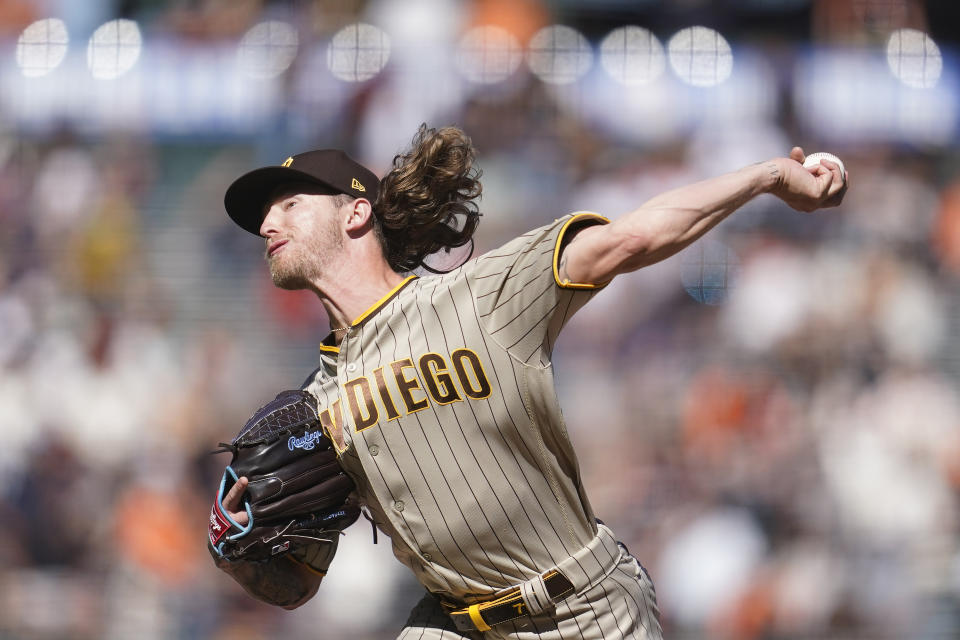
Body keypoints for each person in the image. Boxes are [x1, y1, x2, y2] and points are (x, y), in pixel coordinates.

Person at [211, 125, 847, 639]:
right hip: (455, 623)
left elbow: (632, 237)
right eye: (265, 214)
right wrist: (237, 542)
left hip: (584, 613)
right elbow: (293, 586)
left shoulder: (481, 296)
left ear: (355, 213)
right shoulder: (317, 402)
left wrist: (768, 176)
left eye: (289, 205)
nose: (268, 224)